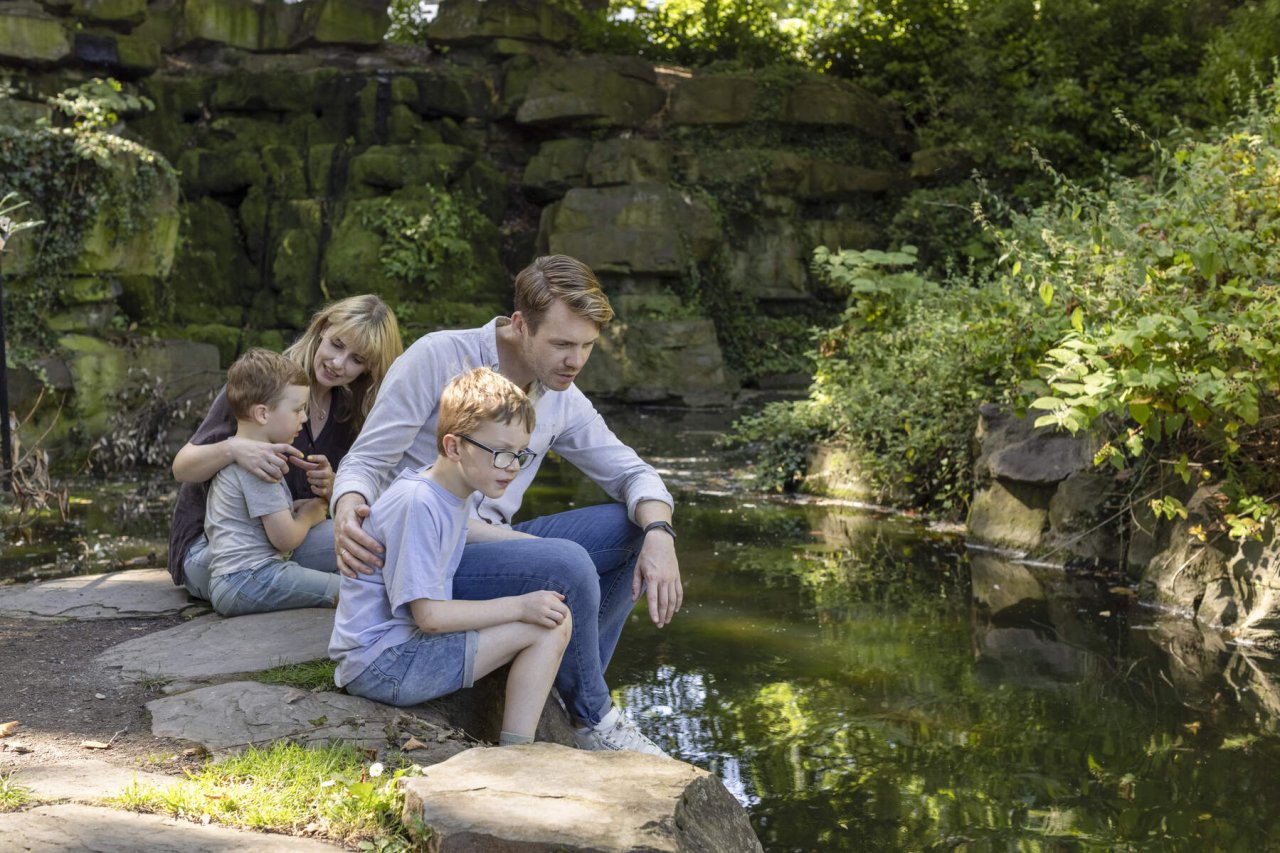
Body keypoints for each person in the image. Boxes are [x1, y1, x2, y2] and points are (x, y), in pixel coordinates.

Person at [332, 255, 681, 756]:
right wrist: (347, 508)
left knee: (630, 527)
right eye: (562, 344)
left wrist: (660, 536)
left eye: (586, 346)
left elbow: (633, 474)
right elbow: (364, 461)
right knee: (566, 562)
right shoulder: (438, 357)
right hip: (419, 552)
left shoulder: (563, 396)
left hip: (486, 542)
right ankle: (592, 716)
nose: (575, 361)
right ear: (520, 326)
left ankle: (571, 684)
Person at [330, 367, 572, 746]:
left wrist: (532, 545)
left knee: (550, 616)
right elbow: (429, 617)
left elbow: (465, 531)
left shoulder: (446, 488)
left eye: (519, 455)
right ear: (454, 447)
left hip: (397, 652)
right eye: (501, 454)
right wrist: (519, 606)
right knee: (550, 624)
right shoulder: (420, 503)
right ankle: (517, 753)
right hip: (385, 666)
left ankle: (519, 749)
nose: (512, 468)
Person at [168, 295, 402, 601]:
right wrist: (234, 449)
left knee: (377, 544)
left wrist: (335, 489)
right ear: (322, 329)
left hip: (284, 540)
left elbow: (356, 500)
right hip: (214, 551)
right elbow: (181, 467)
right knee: (358, 569)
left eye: (357, 360)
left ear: (369, 370)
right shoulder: (263, 383)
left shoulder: (350, 413)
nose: (338, 363)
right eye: (337, 344)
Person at [202, 349, 333, 615]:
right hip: (251, 578)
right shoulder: (262, 466)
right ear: (262, 414)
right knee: (346, 590)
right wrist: (309, 514)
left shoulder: (244, 455)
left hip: (238, 578)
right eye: (298, 410)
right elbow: (285, 538)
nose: (305, 418)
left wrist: (293, 507)